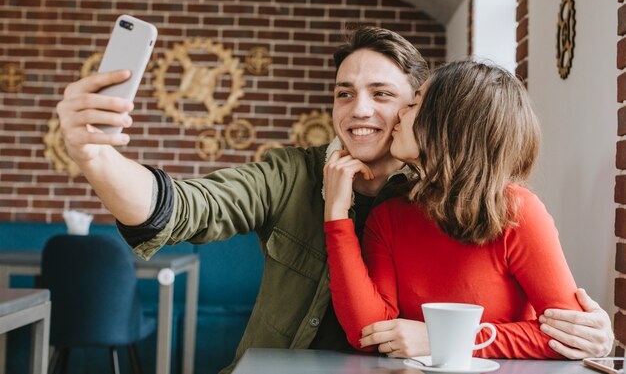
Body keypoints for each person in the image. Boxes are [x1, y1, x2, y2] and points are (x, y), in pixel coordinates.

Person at [57, 27, 613, 372]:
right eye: (344, 93)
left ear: (426, 113)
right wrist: (99, 159)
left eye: (386, 95)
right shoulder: (300, 178)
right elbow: (184, 207)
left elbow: (560, 329)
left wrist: (592, 334)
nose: (359, 110)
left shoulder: (475, 205)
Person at [323, 60, 604, 359]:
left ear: (448, 122)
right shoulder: (389, 217)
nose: (399, 114)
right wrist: (336, 213)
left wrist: (447, 339)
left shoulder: (518, 211)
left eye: (414, 103)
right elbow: (368, 332)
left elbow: (571, 338)